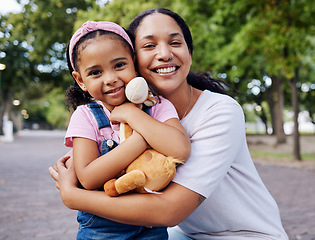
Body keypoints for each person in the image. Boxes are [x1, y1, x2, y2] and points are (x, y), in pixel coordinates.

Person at [50, 8, 288, 240]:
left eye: (175, 43)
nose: (164, 54)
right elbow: (90, 171)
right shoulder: (99, 114)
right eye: (149, 45)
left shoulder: (220, 111)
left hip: (244, 235)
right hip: (185, 233)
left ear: (189, 53)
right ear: (136, 59)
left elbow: (169, 210)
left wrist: (73, 196)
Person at [61, 20, 190, 240]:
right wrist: (140, 140)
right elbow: (88, 178)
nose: (110, 79)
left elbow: (180, 150)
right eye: (95, 72)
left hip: (152, 225)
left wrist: (132, 115)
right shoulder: (85, 117)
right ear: (80, 80)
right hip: (101, 230)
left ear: (134, 63)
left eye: (119, 65)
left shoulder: (157, 106)